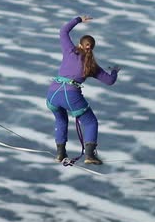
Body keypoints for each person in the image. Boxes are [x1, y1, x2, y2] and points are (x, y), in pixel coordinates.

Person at [46, 15, 120, 165]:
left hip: (52, 94)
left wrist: (78, 19)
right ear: (92, 48)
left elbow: (63, 32)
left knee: (61, 120)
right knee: (90, 122)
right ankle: (90, 155)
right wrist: (115, 72)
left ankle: (60, 154)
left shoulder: (70, 51)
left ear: (80, 44)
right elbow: (110, 81)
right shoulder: (91, 65)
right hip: (71, 95)